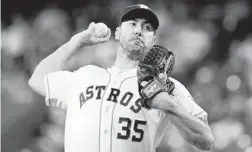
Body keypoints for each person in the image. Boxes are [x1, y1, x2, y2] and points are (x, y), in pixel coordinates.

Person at [28, 4, 214, 152]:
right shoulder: (86, 75)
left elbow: (205, 140)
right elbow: (37, 79)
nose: (139, 31)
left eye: (147, 27)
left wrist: (172, 108)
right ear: (117, 33)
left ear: (154, 40)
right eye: (132, 24)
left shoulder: (165, 84)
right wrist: (77, 42)